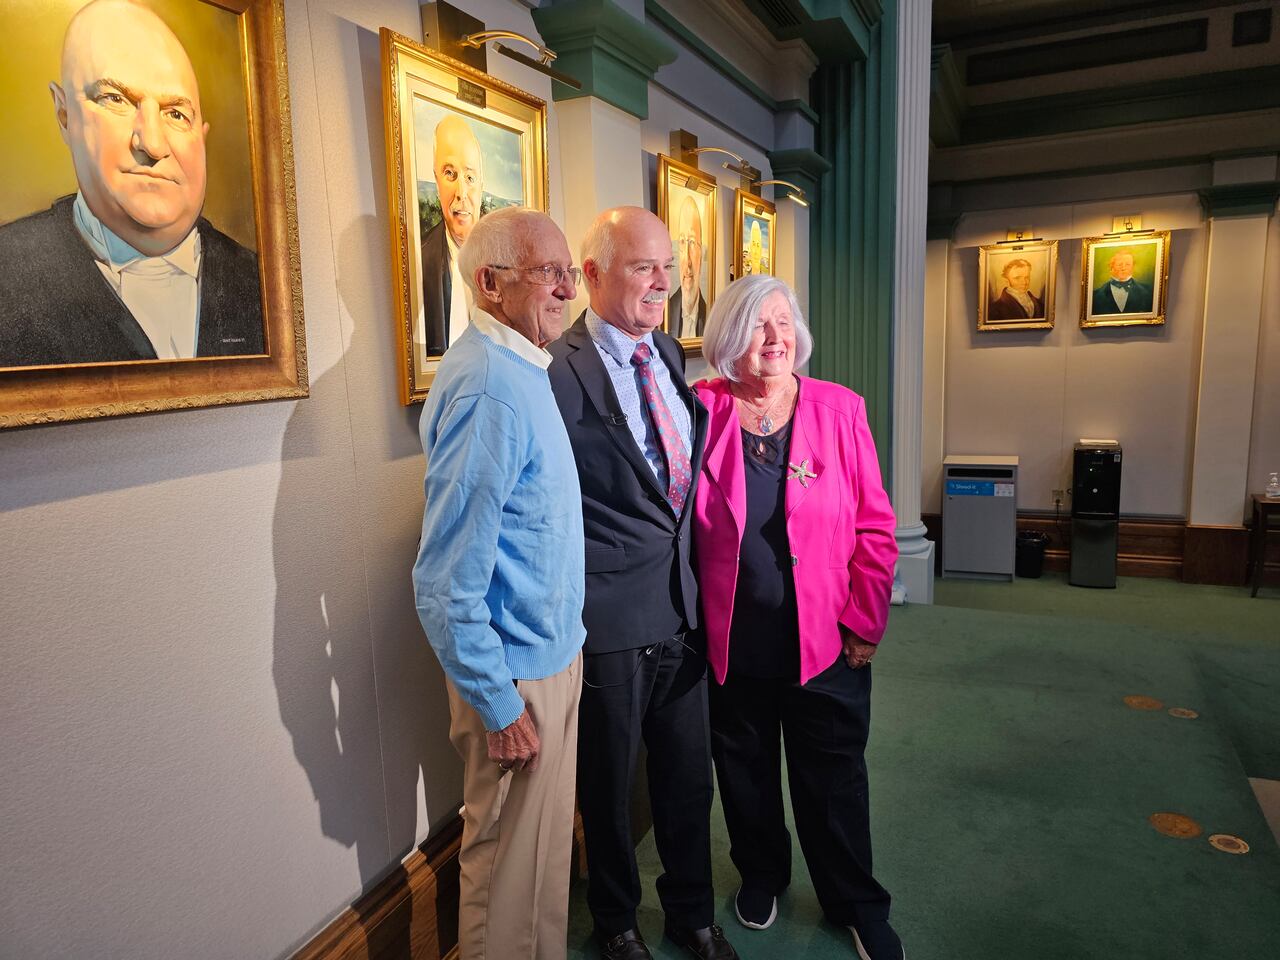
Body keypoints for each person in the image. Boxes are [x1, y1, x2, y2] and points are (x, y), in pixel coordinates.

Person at [691, 274, 902, 959]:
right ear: (730, 335)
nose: (775, 337)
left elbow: (875, 526)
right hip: (734, 641)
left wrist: (865, 620)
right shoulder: (701, 410)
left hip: (825, 642)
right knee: (744, 773)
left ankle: (855, 902)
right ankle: (762, 875)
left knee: (834, 779)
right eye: (758, 324)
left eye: (784, 322)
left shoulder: (840, 410)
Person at [548, 207, 736, 960]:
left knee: (688, 779)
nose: (662, 283)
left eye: (667, 267)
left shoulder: (665, 351)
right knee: (610, 786)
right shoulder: (557, 370)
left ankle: (692, 914)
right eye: (642, 268)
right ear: (593, 274)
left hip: (682, 609)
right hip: (610, 620)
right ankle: (616, 923)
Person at [413, 206, 585, 960]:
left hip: (547, 657)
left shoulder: (520, 366)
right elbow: (444, 580)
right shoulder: (489, 386)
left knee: (540, 864)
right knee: (506, 870)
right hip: (514, 677)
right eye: (551, 273)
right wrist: (496, 700)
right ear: (490, 283)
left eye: (569, 273)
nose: (569, 290)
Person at [0, 0, 263, 368]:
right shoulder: (9, 273)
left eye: (176, 114)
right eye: (115, 99)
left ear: (201, 138)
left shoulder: (260, 282)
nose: (152, 144)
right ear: (64, 115)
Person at [421, 114, 485, 355]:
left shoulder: (508, 264)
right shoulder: (419, 258)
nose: (461, 192)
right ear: (436, 181)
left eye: (470, 178)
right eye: (450, 173)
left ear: (481, 186)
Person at [668, 195, 706, 339]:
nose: (688, 261)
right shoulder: (665, 312)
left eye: (692, 242)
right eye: (682, 242)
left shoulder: (711, 314)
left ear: (701, 253)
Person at [1091, 248, 1152, 315]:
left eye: (1127, 264)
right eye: (1119, 264)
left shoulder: (1148, 292)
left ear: (1133, 267)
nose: (1123, 268)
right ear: (1111, 267)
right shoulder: (1095, 296)